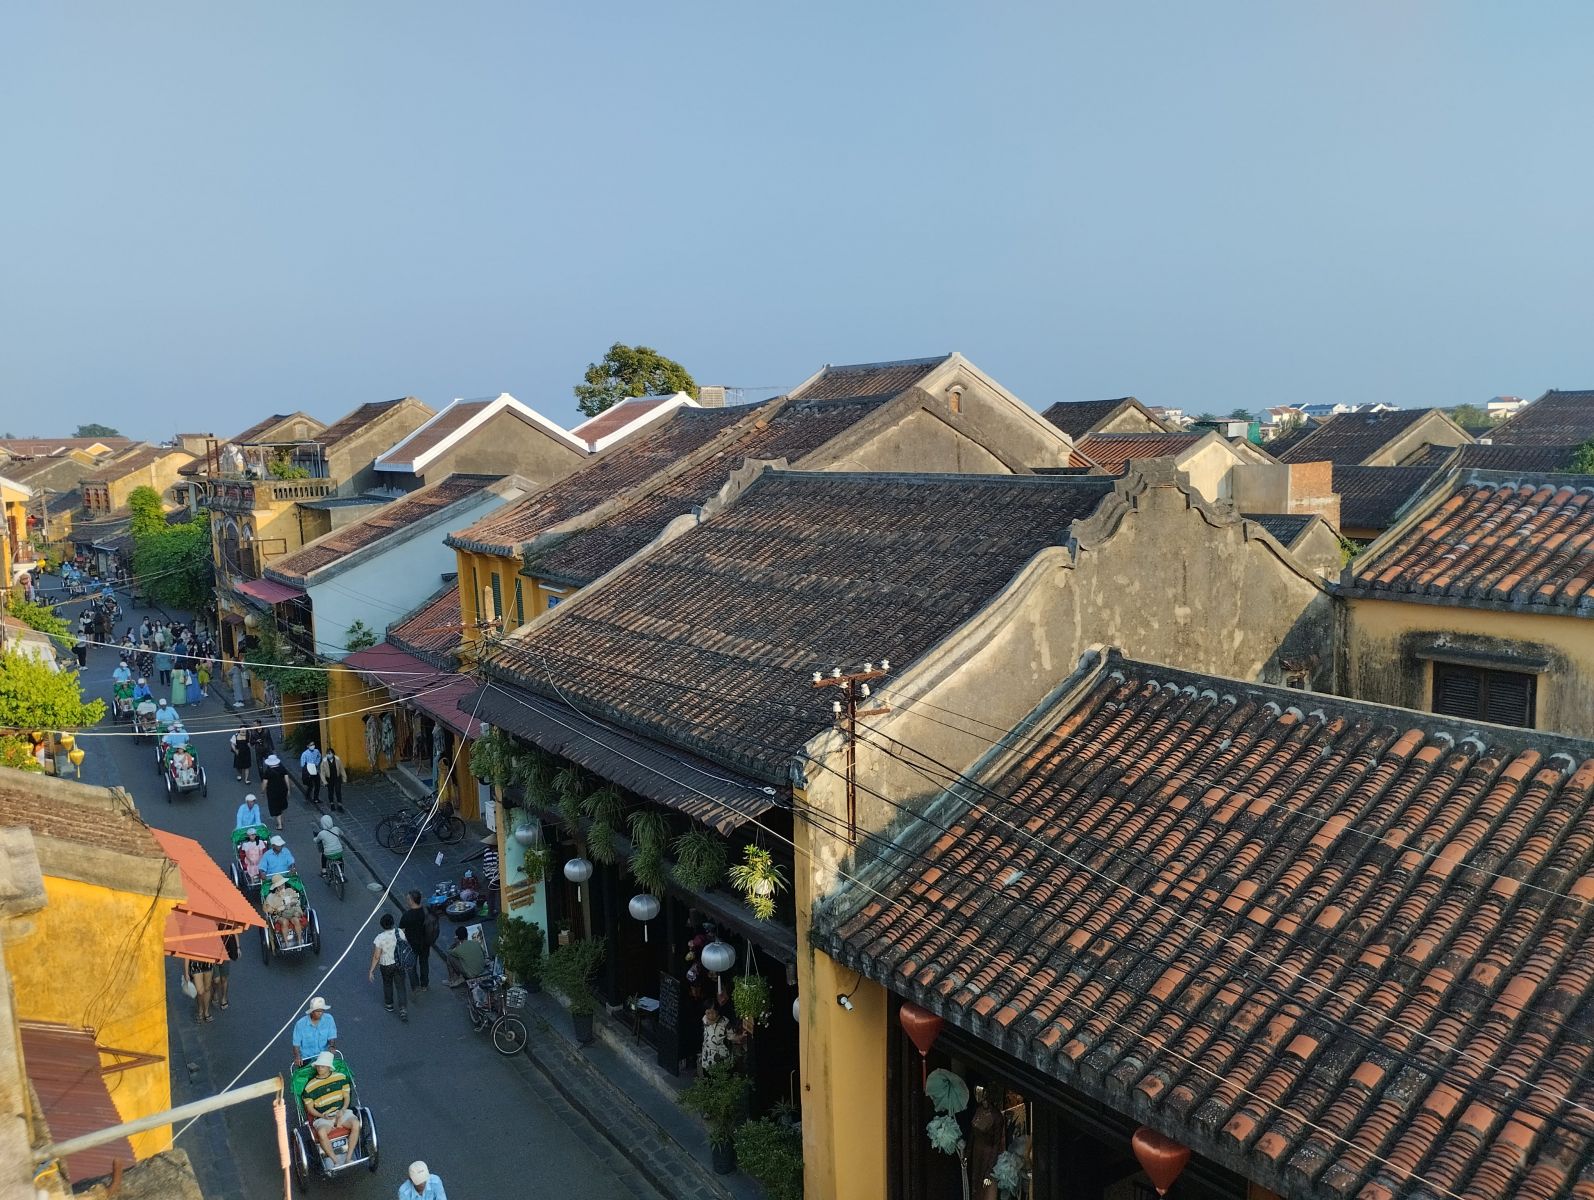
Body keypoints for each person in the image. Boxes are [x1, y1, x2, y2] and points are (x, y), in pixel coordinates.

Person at [302, 1052, 361, 1169]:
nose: (319, 1068)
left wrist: (343, 1110)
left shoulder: (340, 1078)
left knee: (356, 1123)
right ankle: (335, 1161)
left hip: (341, 1112)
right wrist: (322, 1116)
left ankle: (348, 1158)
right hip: (323, 1117)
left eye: (322, 1066)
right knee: (321, 1133)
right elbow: (310, 1108)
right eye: (318, 1066)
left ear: (329, 1067)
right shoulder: (309, 1086)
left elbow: (347, 1097)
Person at [368, 913, 408, 1022]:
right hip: (399, 963)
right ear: (392, 923)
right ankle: (403, 1008)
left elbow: (377, 956)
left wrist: (371, 970)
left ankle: (389, 1005)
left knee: (387, 984)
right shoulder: (399, 932)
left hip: (386, 965)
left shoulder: (379, 938)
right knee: (400, 986)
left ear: (382, 925)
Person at [398, 890, 435, 992]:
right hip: (425, 943)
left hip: (411, 945)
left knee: (411, 966)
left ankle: (415, 986)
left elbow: (401, 931)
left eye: (407, 899)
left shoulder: (407, 915)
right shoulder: (426, 910)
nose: (406, 901)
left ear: (411, 900)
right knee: (424, 963)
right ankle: (424, 985)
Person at [265, 874, 309, 946]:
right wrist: (280, 907)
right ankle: (286, 943)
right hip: (280, 915)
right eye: (279, 885)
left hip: (291, 912)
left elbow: (296, 900)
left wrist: (292, 903)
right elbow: (271, 910)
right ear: (276, 887)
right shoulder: (272, 896)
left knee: (296, 920)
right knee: (285, 922)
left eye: (282, 884)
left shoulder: (290, 890)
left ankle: (300, 940)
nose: (281, 886)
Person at [292, 998, 338, 1065]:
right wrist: (297, 1056)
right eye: (317, 1011)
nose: (320, 1013)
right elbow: (296, 1043)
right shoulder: (300, 1024)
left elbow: (332, 1036)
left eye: (322, 1011)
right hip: (307, 1058)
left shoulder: (329, 1019)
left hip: (324, 1056)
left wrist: (332, 1046)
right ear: (312, 1011)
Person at [698, 1005, 742, 1073]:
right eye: (708, 1013)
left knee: (723, 1078)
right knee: (709, 1080)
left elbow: (731, 1036)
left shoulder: (724, 1021)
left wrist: (740, 1037)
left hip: (722, 1056)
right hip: (707, 1057)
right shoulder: (704, 1019)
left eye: (713, 1012)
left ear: (717, 1011)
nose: (710, 1015)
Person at [262, 753, 290, 831]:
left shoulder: (268, 771)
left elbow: (265, 783)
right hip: (282, 790)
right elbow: (287, 779)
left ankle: (279, 824)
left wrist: (262, 791)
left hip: (272, 791)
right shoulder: (282, 768)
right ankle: (280, 819)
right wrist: (288, 789)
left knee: (275, 807)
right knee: (281, 805)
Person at [185, 956, 213, 1024]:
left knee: (207, 988)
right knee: (200, 991)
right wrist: (186, 972)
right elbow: (186, 954)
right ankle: (200, 1010)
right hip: (195, 963)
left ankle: (206, 1012)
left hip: (208, 962)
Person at [213, 933, 237, 1011]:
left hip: (225, 953)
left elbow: (235, 931)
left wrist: (238, 947)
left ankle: (224, 998)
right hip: (213, 954)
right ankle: (216, 992)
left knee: (224, 979)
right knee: (216, 979)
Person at [322, 746, 345, 812]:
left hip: (337, 778)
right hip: (329, 779)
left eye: (330, 753)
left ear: (333, 754)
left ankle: (339, 805)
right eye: (327, 753)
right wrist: (324, 781)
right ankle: (332, 804)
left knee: (338, 791)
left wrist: (344, 777)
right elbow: (322, 772)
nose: (328, 755)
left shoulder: (337, 760)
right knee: (330, 792)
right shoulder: (324, 761)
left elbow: (341, 769)